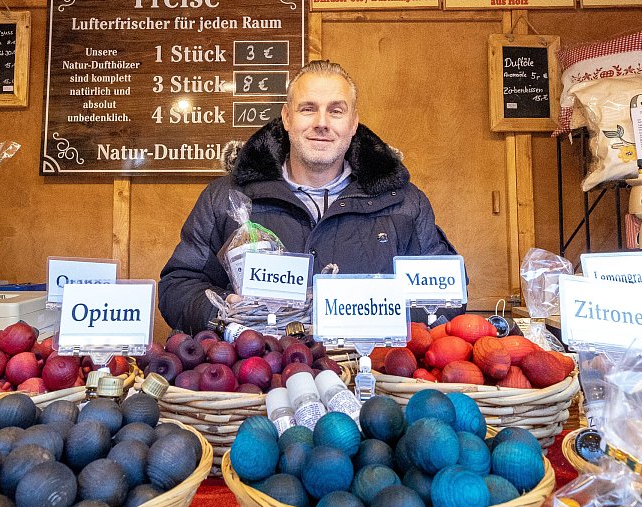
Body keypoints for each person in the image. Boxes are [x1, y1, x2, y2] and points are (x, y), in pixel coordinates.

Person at [158, 60, 460, 333]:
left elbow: (446, 296)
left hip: (375, 377)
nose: (321, 122)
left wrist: (379, 313)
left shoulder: (404, 203)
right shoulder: (227, 199)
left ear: (353, 124)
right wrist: (226, 311)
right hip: (260, 379)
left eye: (336, 111)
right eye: (308, 109)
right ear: (287, 118)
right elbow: (178, 286)